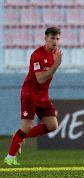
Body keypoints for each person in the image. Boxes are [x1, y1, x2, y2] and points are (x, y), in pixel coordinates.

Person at [4, 27, 62, 165]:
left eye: (57, 39)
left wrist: (55, 63)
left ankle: (18, 137)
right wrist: (55, 66)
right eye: (52, 38)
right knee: (27, 127)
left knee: (52, 125)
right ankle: (10, 157)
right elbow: (40, 78)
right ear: (46, 39)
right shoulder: (37, 55)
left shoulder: (55, 54)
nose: (55, 41)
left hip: (43, 96)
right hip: (30, 94)